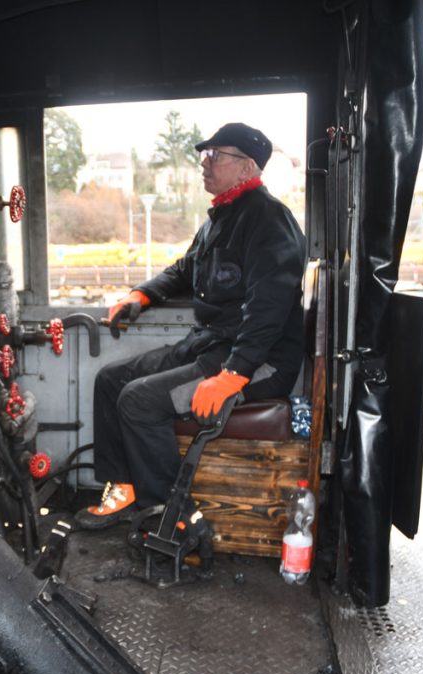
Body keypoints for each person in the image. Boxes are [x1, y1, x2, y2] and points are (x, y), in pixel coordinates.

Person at [77, 122, 307, 529]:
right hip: (211, 345)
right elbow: (185, 269)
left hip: (259, 362)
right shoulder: (221, 217)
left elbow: (268, 308)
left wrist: (234, 374)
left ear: (247, 166)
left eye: (216, 155)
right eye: (205, 154)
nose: (205, 162)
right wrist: (142, 295)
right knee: (110, 380)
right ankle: (125, 489)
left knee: (138, 400)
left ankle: (173, 517)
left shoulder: (270, 221)